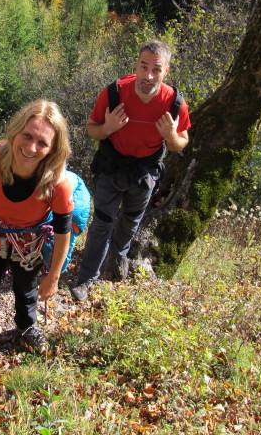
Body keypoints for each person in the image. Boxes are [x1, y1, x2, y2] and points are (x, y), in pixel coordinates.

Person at [70, 40, 191, 301]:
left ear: (166, 71)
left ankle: (113, 271)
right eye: (143, 66)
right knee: (102, 223)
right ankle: (86, 279)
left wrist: (170, 135)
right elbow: (92, 128)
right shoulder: (114, 93)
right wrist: (108, 128)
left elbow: (181, 142)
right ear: (136, 65)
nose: (148, 75)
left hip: (145, 173)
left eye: (156, 69)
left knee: (129, 224)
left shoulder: (174, 103)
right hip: (111, 166)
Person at [0, 99, 74, 355]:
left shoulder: (58, 183)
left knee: (27, 293)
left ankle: (27, 328)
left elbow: (62, 232)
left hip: (28, 248)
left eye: (43, 143)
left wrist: (53, 276)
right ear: (15, 131)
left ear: (53, 149)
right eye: (27, 135)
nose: (31, 147)